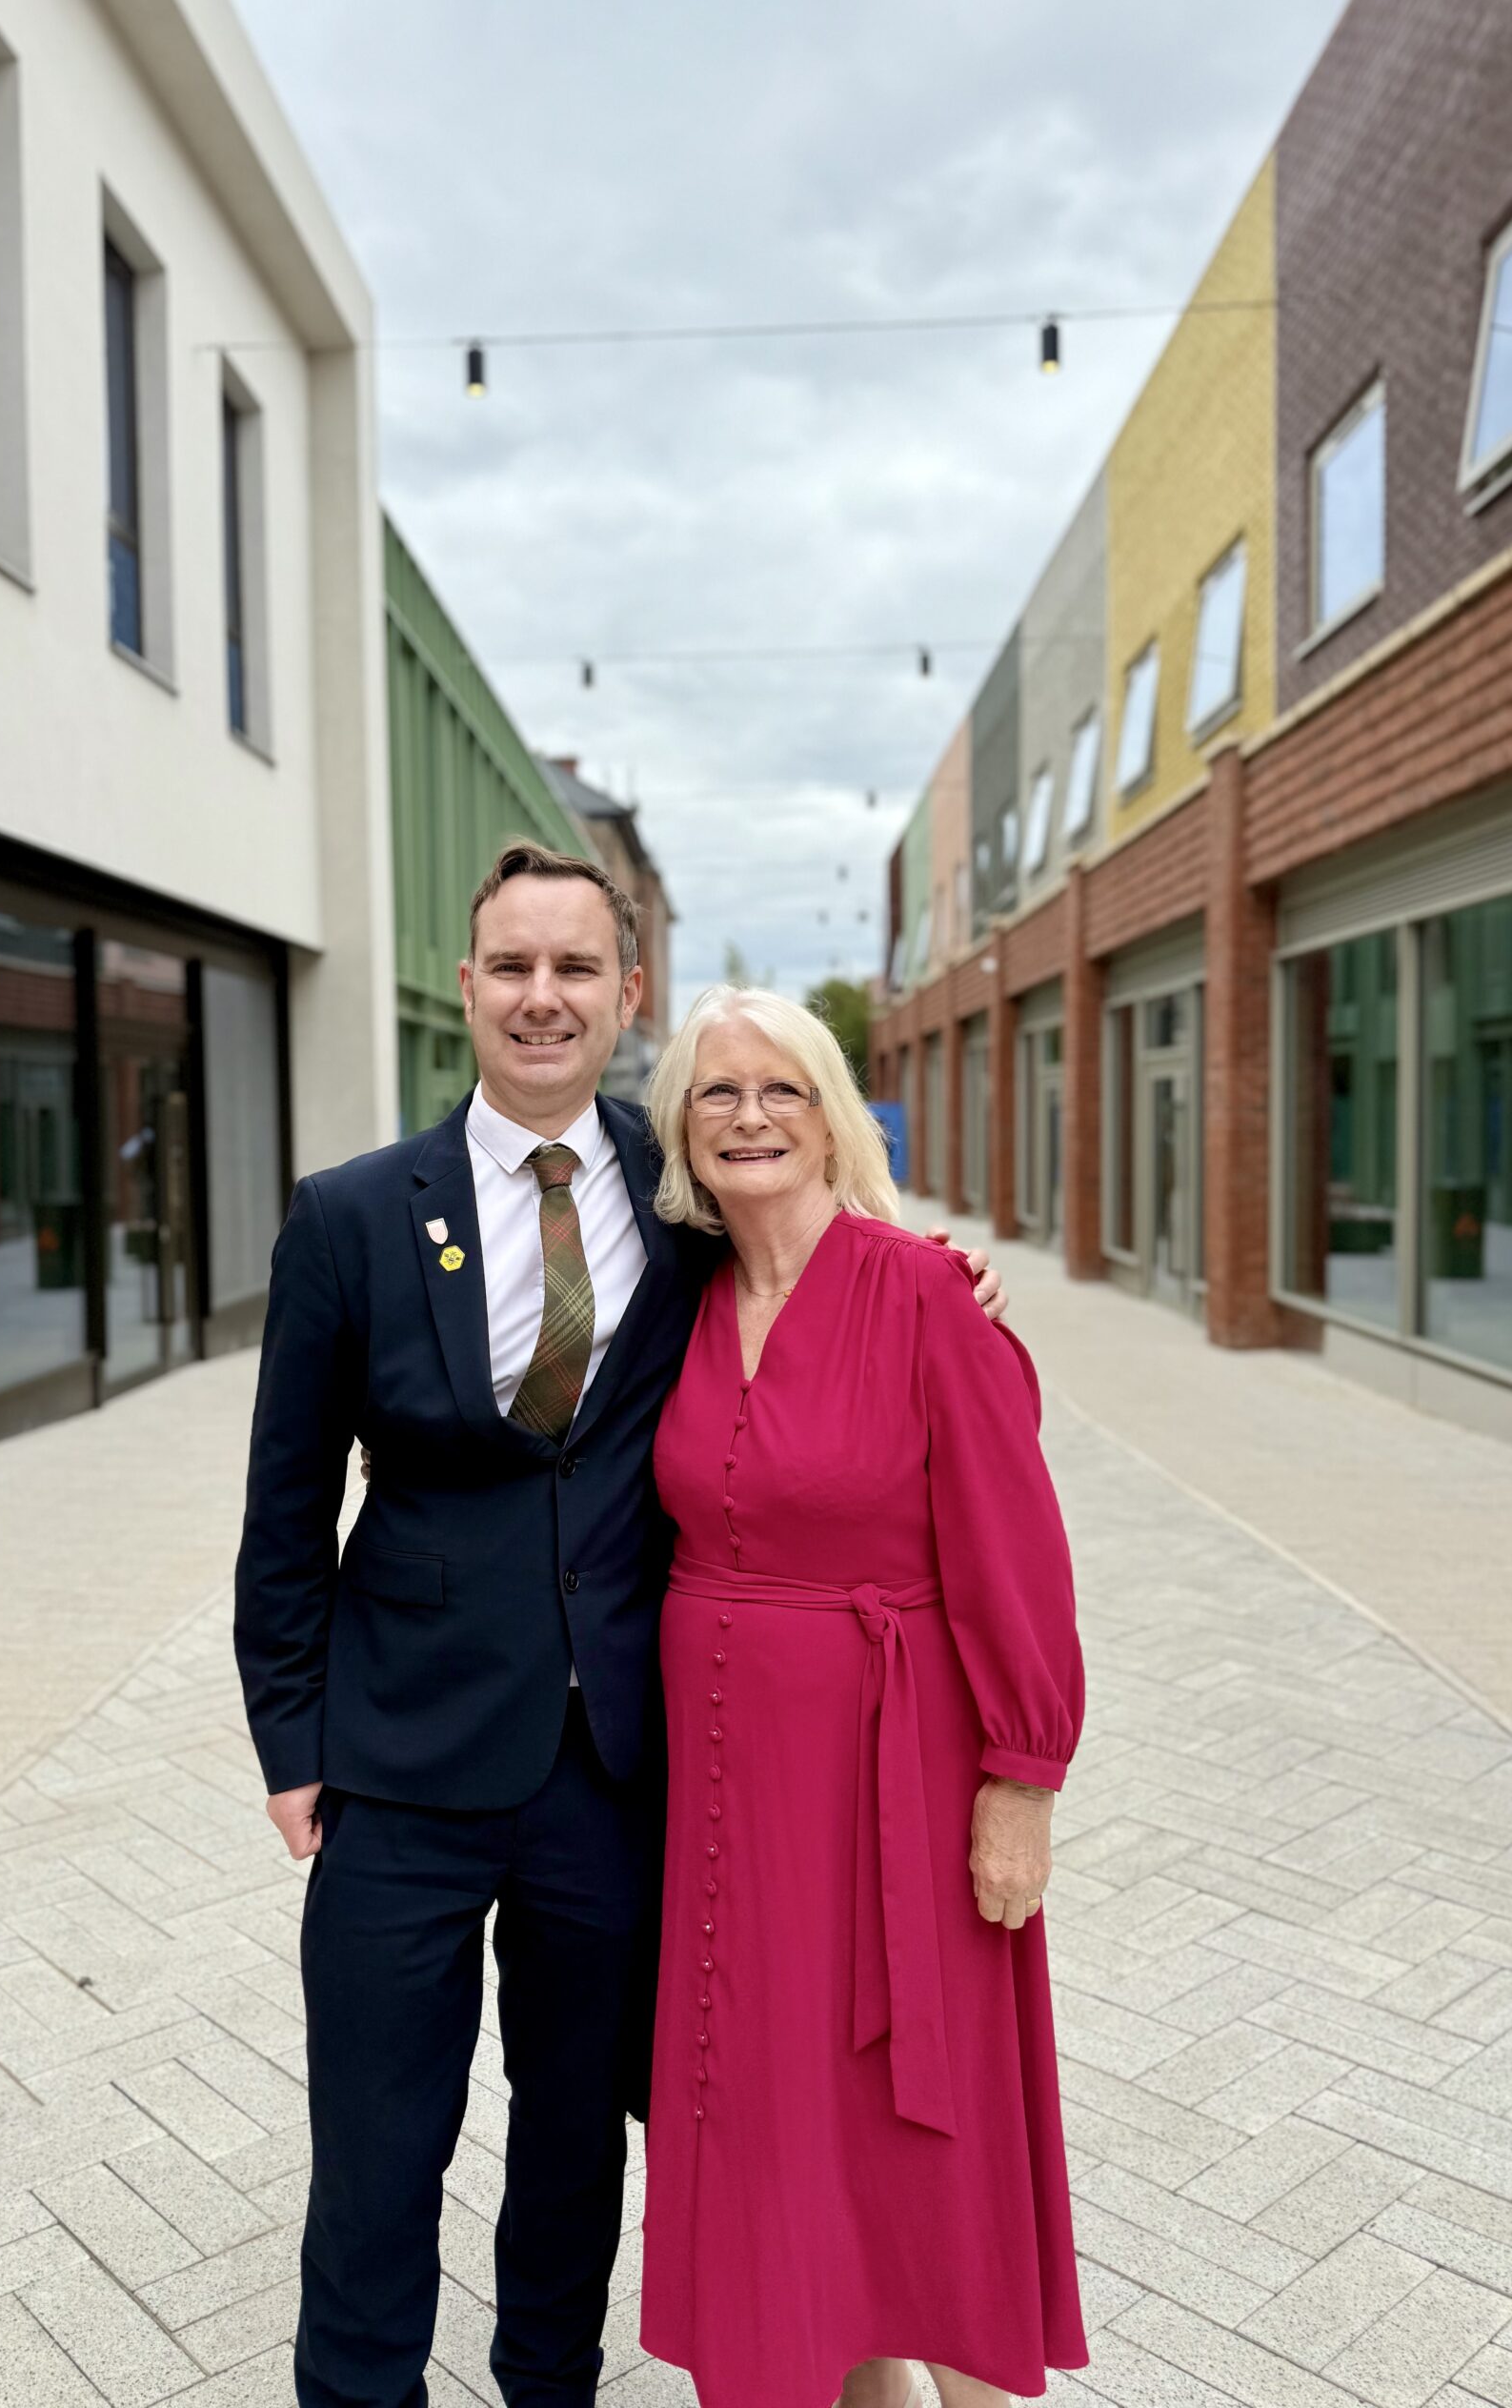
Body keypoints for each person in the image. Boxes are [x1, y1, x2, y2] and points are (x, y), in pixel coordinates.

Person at [232, 841, 1008, 2408]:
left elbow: (827, 1253)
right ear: (467, 989)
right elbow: (284, 1507)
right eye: (511, 967)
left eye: (574, 970)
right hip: (398, 1764)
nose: (542, 998)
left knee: (578, 2145)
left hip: (616, 1769)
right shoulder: (352, 1217)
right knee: (376, 2150)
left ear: (624, 995)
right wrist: (291, 1740)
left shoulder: (689, 1191)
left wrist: (942, 1280)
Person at [638, 984, 1087, 2408]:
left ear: (836, 1117)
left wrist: (1021, 1787)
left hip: (898, 1779)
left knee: (924, 2123)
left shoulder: (925, 1296)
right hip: (726, 1793)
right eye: (718, 1093)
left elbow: (1018, 1557)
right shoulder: (683, 1304)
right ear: (683, 1132)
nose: (751, 1116)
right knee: (775, 2117)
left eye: (782, 1089)